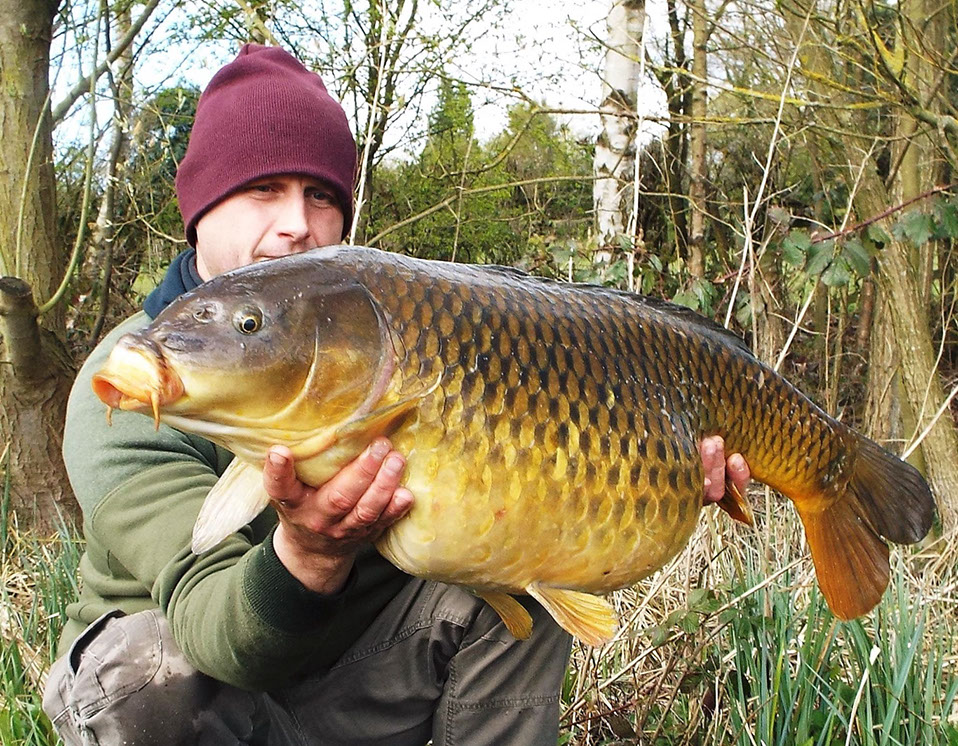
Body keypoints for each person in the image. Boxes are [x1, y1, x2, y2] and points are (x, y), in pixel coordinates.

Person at [42, 44, 751, 745]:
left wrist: (653, 470)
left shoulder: (381, 329)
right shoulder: (129, 390)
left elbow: (559, 472)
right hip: (210, 699)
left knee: (515, 575)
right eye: (263, 190)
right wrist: (310, 553)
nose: (297, 223)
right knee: (135, 677)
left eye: (320, 195)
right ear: (199, 207)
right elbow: (216, 635)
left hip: (353, 684)